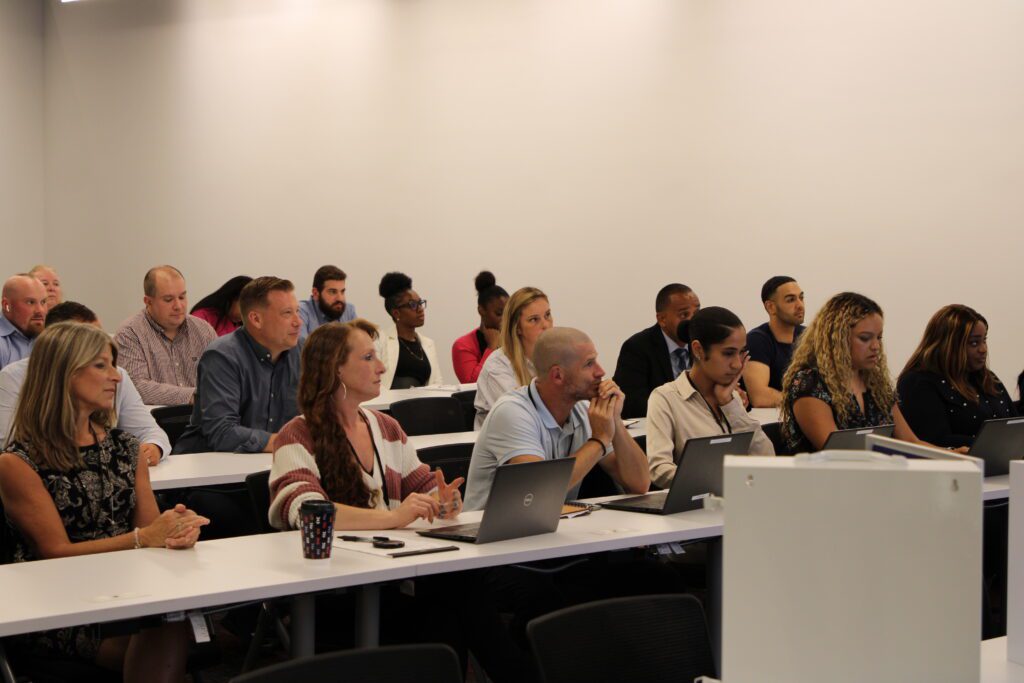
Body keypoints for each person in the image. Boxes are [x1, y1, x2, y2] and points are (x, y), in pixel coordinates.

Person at [0, 321, 208, 682]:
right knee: (167, 629)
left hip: (124, 592)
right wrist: (145, 538)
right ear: (63, 373)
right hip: (56, 607)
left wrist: (175, 529)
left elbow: (150, 532)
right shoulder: (18, 463)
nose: (117, 377)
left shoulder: (126, 449)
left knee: (170, 623)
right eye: (102, 366)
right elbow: (55, 552)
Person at [269, 319, 462, 530]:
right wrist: (395, 517)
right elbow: (309, 513)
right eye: (368, 358)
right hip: (335, 560)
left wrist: (441, 502)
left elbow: (424, 487)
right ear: (335, 369)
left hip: (392, 555)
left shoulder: (388, 428)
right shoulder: (296, 436)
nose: (381, 368)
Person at [464, 327, 650, 511]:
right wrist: (599, 440)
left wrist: (614, 419)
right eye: (589, 364)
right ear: (558, 375)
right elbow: (538, 490)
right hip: (488, 534)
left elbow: (640, 485)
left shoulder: (584, 411)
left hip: (542, 527)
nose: (600, 371)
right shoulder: (512, 412)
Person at [0, 302, 171, 465]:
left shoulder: (118, 377)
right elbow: (8, 445)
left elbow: (149, 431)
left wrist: (153, 448)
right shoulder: (14, 377)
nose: (115, 376)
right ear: (57, 347)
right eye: (88, 340)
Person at [647, 307, 775, 488]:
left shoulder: (732, 398)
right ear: (698, 350)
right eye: (728, 353)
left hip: (739, 501)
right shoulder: (666, 398)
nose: (737, 364)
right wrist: (716, 483)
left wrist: (729, 405)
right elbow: (659, 469)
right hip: (694, 509)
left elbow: (766, 458)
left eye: (741, 353)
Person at [173, 276, 302, 455]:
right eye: (287, 313)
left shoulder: (302, 351)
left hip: (270, 462)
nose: (298, 322)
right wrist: (285, 442)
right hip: (211, 469)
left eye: (298, 311)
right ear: (256, 319)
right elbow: (222, 432)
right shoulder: (222, 356)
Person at [779, 292, 917, 453]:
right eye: (865, 338)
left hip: (874, 473)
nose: (876, 346)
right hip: (829, 476)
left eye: (879, 338)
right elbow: (837, 454)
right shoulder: (809, 384)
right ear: (838, 339)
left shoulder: (875, 383)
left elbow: (910, 442)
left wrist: (951, 455)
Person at [897, 305, 1018, 448]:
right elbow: (933, 440)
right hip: (952, 467)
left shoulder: (988, 378)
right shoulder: (918, 382)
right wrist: (996, 444)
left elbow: (1015, 425)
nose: (983, 349)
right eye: (974, 343)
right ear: (949, 345)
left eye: (984, 340)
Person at [114, 266, 217, 405]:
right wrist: (194, 396)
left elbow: (223, 376)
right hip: (154, 421)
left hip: (205, 419)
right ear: (148, 302)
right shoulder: (130, 333)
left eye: (182, 297)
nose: (178, 306)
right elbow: (136, 386)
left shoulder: (203, 329)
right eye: (168, 299)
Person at [613, 283, 701, 418]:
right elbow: (632, 405)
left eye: (696, 313)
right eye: (684, 315)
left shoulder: (702, 345)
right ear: (662, 319)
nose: (692, 320)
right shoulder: (637, 348)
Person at [474, 287, 553, 428]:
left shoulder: (556, 356)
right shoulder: (497, 367)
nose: (546, 325)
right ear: (517, 328)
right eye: (534, 319)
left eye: (547, 315)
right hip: (505, 443)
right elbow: (520, 418)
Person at [743, 276, 806, 408]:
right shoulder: (756, 340)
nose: (800, 305)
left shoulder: (809, 337)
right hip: (771, 423)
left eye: (801, 297)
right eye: (791, 300)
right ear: (771, 307)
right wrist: (810, 403)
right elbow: (760, 397)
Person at [376, 272, 443, 389]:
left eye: (420, 303)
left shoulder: (428, 344)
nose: (420, 309)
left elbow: (437, 383)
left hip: (423, 405)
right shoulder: (380, 341)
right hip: (387, 406)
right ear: (396, 313)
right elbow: (374, 382)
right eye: (413, 305)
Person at [451, 271, 509, 383]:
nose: (505, 319)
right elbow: (471, 385)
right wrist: (491, 348)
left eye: (508, 313)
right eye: (498, 313)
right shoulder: (463, 345)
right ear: (481, 310)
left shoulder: (514, 338)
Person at [298, 265, 357, 341]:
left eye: (342, 291)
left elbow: (358, 346)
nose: (340, 298)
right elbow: (303, 349)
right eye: (333, 292)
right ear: (316, 293)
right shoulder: (301, 311)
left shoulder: (349, 310)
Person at [0, 274, 47, 369]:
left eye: (43, 302)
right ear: (6, 305)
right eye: (30, 302)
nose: (40, 310)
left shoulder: (50, 339)